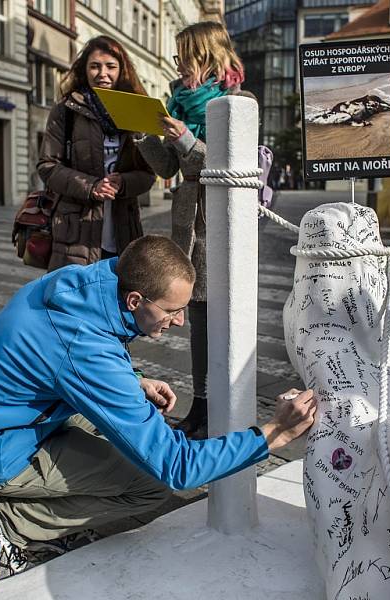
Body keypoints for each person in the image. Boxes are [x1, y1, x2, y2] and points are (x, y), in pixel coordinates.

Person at [0, 235, 317, 583]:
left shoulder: (92, 282)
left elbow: (62, 358)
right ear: (136, 300)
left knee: (136, 438)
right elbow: (177, 467)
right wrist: (274, 434)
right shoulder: (84, 346)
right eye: (172, 310)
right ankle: (1, 521)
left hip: (14, 419)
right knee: (149, 484)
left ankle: (38, 509)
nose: (181, 321)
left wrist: (132, 379)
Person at [135, 21, 250, 439]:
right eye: (178, 56)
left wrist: (185, 139)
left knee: (219, 322)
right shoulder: (177, 102)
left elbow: (229, 166)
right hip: (188, 223)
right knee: (197, 320)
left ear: (208, 55)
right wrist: (144, 135)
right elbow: (168, 168)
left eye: (186, 55)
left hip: (220, 221)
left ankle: (220, 408)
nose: (179, 63)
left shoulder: (237, 100)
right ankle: (202, 410)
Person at [37, 36, 155, 271]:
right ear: (85, 70)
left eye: (111, 66)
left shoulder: (137, 111)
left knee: (117, 300)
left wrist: (123, 182)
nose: (103, 73)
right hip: (76, 232)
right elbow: (47, 166)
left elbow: (148, 174)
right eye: (95, 66)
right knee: (75, 300)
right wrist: (91, 186)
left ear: (122, 71)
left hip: (123, 230)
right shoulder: (66, 110)